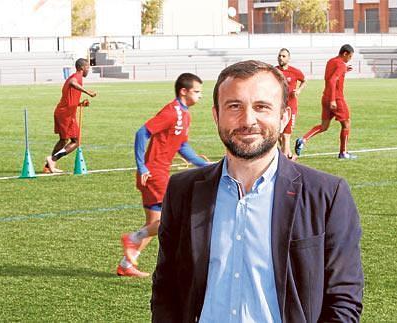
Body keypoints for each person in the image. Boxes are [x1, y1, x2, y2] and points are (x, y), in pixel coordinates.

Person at [151, 61, 364, 322]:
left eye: (261, 107)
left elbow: (343, 299)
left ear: (284, 116)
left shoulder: (328, 195)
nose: (248, 120)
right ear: (216, 115)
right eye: (234, 106)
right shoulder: (182, 191)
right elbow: (166, 289)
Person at [118, 73, 209, 278]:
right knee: (172, 218)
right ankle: (133, 238)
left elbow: (182, 146)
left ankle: (126, 264)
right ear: (183, 91)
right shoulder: (172, 112)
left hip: (158, 171)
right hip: (155, 172)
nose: (200, 96)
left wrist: (204, 165)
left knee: (155, 223)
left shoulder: (185, 115)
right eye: (197, 92)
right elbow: (142, 132)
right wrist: (142, 166)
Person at [295, 44, 357, 159]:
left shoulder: (331, 61)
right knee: (346, 124)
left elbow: (330, 76)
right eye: (350, 57)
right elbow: (333, 80)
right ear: (345, 54)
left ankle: (303, 139)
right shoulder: (341, 64)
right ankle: (343, 153)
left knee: (324, 126)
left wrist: (344, 71)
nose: (349, 59)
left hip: (325, 97)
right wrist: (333, 100)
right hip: (336, 99)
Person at [45, 58, 96, 173]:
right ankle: (52, 159)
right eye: (88, 67)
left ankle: (48, 166)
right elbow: (73, 83)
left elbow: (70, 99)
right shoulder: (76, 77)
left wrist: (80, 104)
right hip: (65, 114)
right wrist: (89, 92)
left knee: (63, 140)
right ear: (82, 68)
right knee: (76, 141)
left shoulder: (77, 78)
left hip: (65, 112)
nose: (89, 70)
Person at [275, 48, 306, 160]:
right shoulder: (274, 71)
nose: (280, 58)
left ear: (288, 58)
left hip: (291, 107)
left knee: (286, 135)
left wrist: (298, 90)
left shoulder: (295, 71)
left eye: (283, 56)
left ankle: (285, 161)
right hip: (278, 107)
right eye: (279, 56)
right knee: (277, 134)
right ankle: (288, 156)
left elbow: (304, 81)